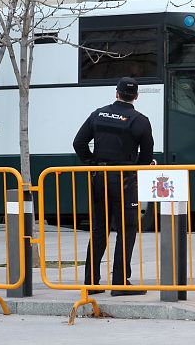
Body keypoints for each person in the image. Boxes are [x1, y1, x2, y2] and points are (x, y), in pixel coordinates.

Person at [73, 77, 154, 296]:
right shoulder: (140, 120)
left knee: (100, 228)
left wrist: (93, 163)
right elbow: (147, 156)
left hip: (100, 177)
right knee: (126, 230)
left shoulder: (98, 114)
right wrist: (133, 168)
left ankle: (91, 282)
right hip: (125, 180)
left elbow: (78, 143)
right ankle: (119, 283)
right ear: (135, 96)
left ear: (116, 93)